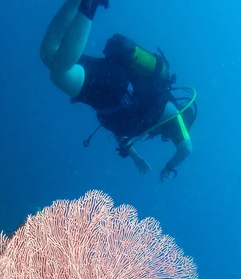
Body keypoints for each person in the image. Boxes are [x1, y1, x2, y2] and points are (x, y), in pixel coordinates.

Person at [40, 0, 197, 182]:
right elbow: (186, 149)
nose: (168, 137)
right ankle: (89, 5)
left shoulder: (154, 119)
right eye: (172, 136)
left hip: (109, 85)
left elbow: (121, 131)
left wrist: (135, 157)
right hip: (112, 87)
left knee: (49, 54)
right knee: (60, 74)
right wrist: (168, 168)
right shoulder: (173, 113)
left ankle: (77, 2)